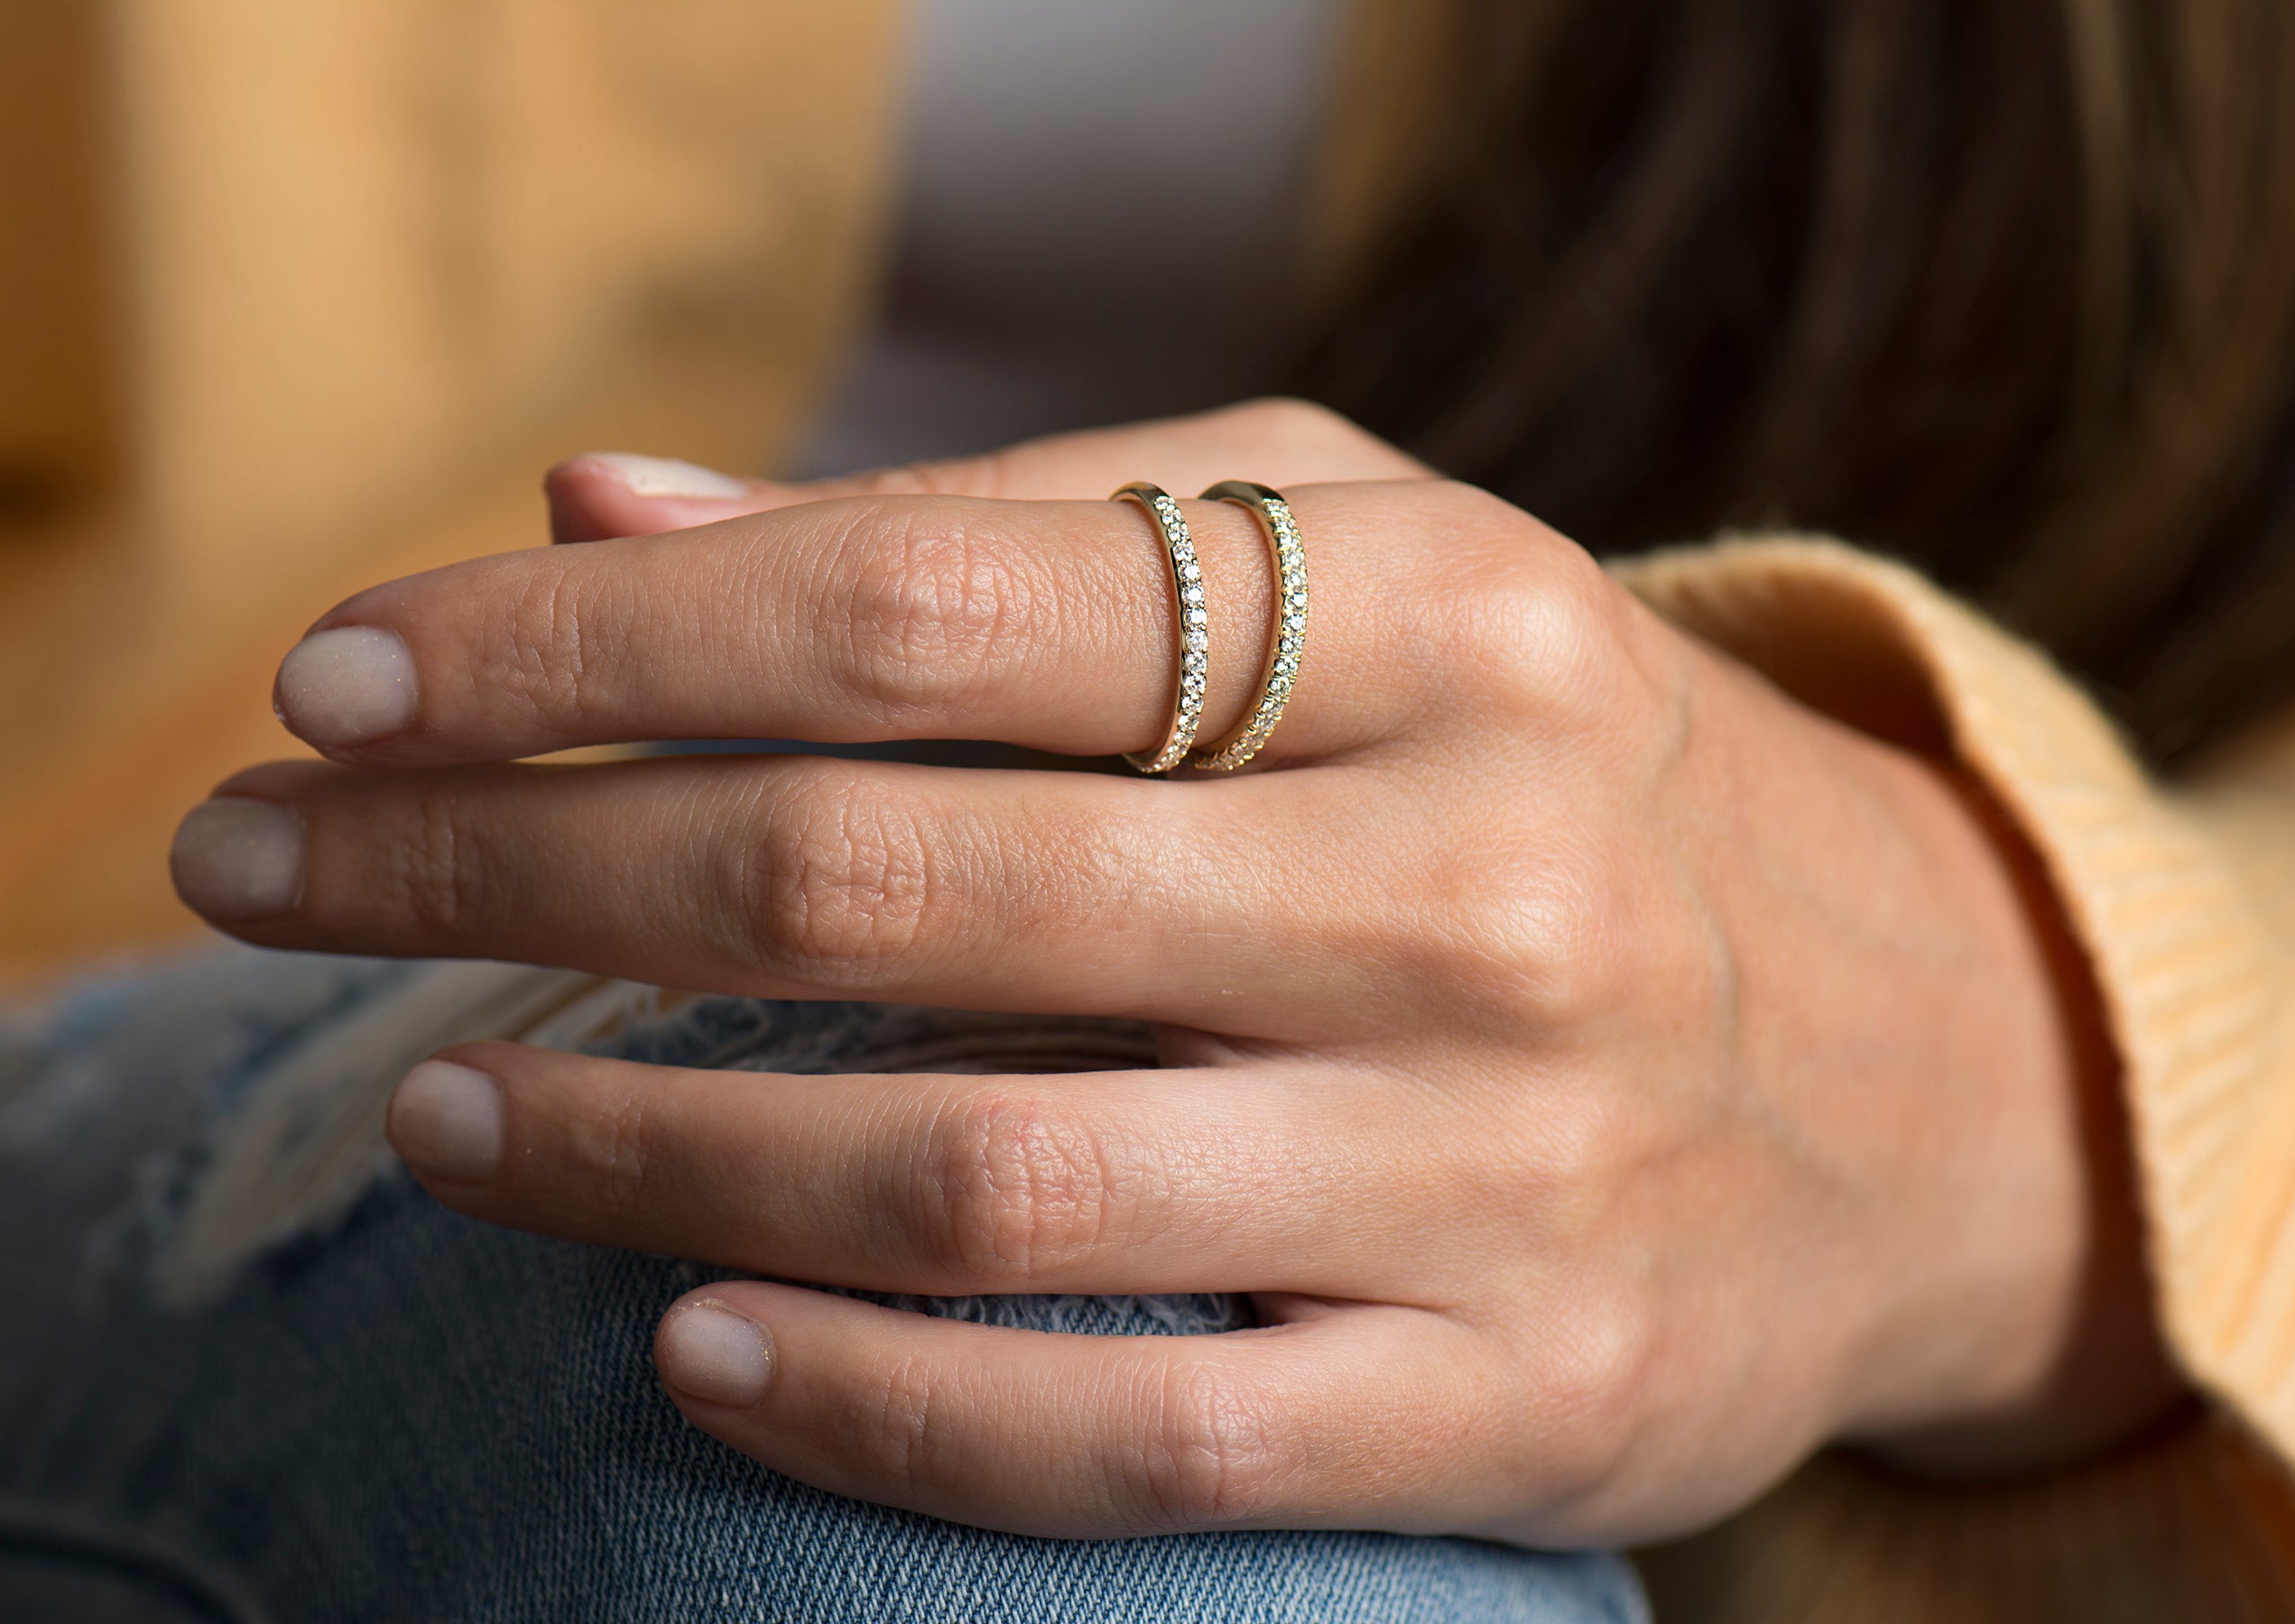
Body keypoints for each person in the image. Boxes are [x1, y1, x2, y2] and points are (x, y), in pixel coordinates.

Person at [9, 2, 2295, 1619]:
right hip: (93, 995)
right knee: (1040, 1359)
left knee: (1123, 1298)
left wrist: (2007, 1083)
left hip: (1744, 1352)